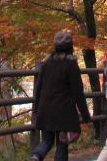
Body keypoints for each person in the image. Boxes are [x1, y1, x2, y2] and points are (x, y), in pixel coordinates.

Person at [31, 30, 91, 161]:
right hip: (64, 111)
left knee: (47, 140)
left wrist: (36, 109)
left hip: (45, 109)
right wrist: (85, 115)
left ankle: (36, 156)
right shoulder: (71, 64)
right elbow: (78, 92)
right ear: (71, 47)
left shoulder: (46, 63)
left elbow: (39, 87)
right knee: (62, 144)